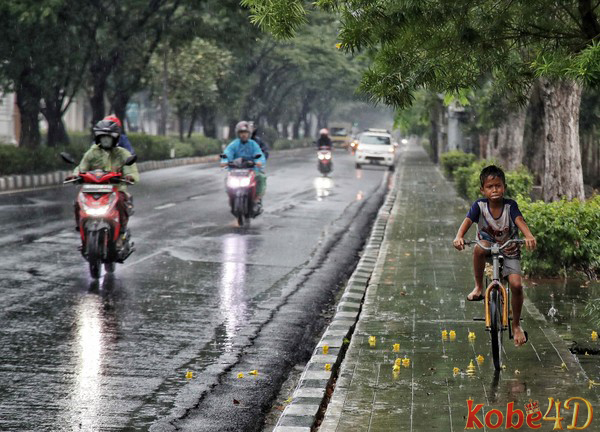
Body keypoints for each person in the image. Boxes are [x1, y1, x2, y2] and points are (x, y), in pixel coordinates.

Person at [453, 165, 536, 347]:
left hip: (509, 249)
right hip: (487, 246)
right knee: (479, 248)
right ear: (483, 190)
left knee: (516, 285)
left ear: (504, 187)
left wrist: (528, 235)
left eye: (498, 185)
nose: (495, 190)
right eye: (490, 187)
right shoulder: (479, 206)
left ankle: (516, 325)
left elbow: (519, 221)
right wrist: (459, 236)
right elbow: (466, 222)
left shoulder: (510, 206)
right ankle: (478, 288)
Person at [68, 119, 139, 237]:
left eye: (109, 137)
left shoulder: (123, 153)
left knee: (121, 201)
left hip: (116, 189)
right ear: (98, 138)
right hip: (93, 189)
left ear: (115, 139)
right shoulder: (92, 153)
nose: (106, 140)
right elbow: (81, 167)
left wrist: (129, 177)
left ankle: (122, 229)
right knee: (77, 201)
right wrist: (75, 175)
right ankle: (79, 225)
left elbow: (131, 170)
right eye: (103, 137)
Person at [221, 121, 266, 212]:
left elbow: (259, 154)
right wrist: (224, 161)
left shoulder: (253, 144)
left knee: (261, 177)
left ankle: (257, 199)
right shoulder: (234, 144)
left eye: (245, 133)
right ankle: (231, 198)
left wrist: (259, 162)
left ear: (249, 133)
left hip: (252, 170)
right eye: (241, 133)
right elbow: (227, 153)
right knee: (227, 180)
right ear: (238, 134)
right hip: (235, 170)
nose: (243, 135)